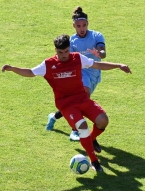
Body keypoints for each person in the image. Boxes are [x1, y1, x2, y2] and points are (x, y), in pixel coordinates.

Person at [1, 34, 131, 172]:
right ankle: (94, 161)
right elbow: (30, 72)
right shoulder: (48, 64)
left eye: (66, 51)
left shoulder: (77, 58)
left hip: (82, 99)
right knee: (83, 127)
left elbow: (97, 64)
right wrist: (12, 68)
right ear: (55, 50)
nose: (64, 55)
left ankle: (90, 140)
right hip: (66, 105)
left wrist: (119, 65)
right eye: (60, 52)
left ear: (70, 48)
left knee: (103, 120)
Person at [46, 6, 107, 142]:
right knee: (83, 98)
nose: (82, 28)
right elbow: (68, 59)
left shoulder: (97, 36)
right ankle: (76, 131)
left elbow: (103, 53)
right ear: (74, 26)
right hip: (80, 73)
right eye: (79, 26)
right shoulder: (72, 42)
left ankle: (53, 117)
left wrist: (99, 53)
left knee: (76, 103)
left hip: (95, 73)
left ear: (88, 24)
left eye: (84, 25)